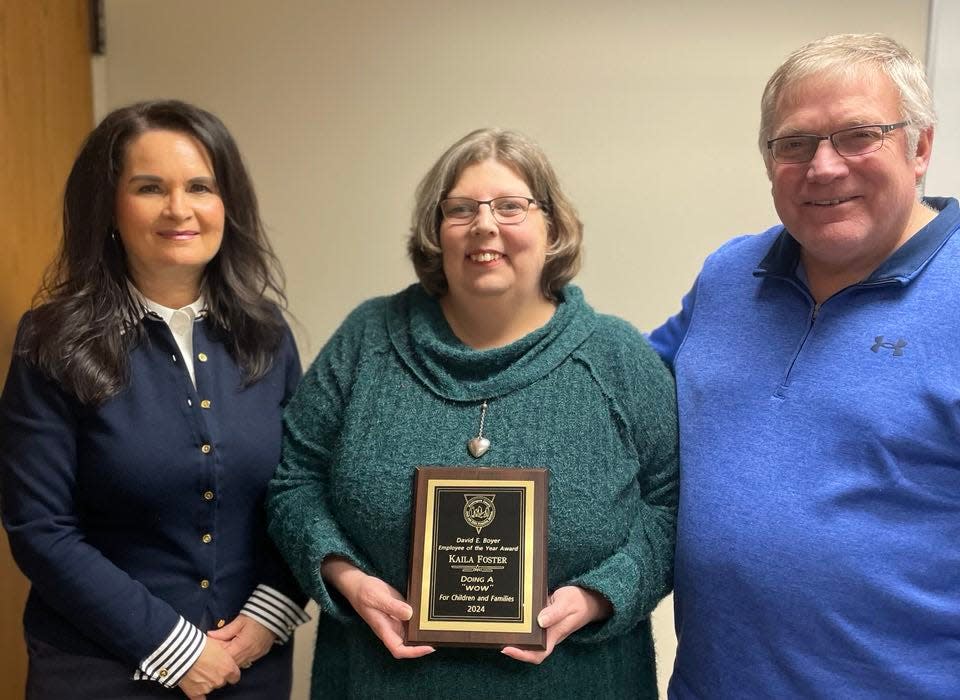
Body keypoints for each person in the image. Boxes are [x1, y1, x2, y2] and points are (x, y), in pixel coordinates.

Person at [266, 127, 678, 698]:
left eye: (511, 206)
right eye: (461, 208)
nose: (485, 225)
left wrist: (603, 593)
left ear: (552, 226)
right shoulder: (367, 339)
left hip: (579, 682)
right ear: (436, 231)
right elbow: (295, 483)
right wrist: (346, 577)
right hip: (377, 682)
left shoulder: (617, 357)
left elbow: (671, 503)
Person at [648, 34, 960, 698]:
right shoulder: (731, 274)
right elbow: (618, 390)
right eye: (794, 144)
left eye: (858, 135)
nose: (822, 167)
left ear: (921, 147)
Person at [0, 100, 309, 699]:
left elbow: (299, 489)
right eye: (149, 188)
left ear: (227, 206)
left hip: (248, 664)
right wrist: (177, 648)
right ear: (110, 207)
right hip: (102, 669)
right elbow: (41, 528)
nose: (179, 209)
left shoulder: (266, 335)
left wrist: (271, 614)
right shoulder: (50, 340)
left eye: (200, 186)